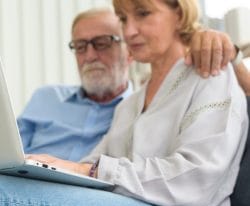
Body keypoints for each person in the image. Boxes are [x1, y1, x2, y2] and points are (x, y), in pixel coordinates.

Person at [1, 0, 248, 206]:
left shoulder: (211, 74)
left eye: (143, 13)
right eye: (122, 18)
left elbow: (198, 178)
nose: (128, 31)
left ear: (180, 13)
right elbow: (91, 162)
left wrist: (91, 170)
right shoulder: (130, 104)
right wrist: (46, 169)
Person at [17, 8, 248, 162]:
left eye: (102, 43)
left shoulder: (146, 109)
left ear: (129, 52)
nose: (89, 56)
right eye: (80, 46)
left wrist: (229, 54)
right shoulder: (45, 98)